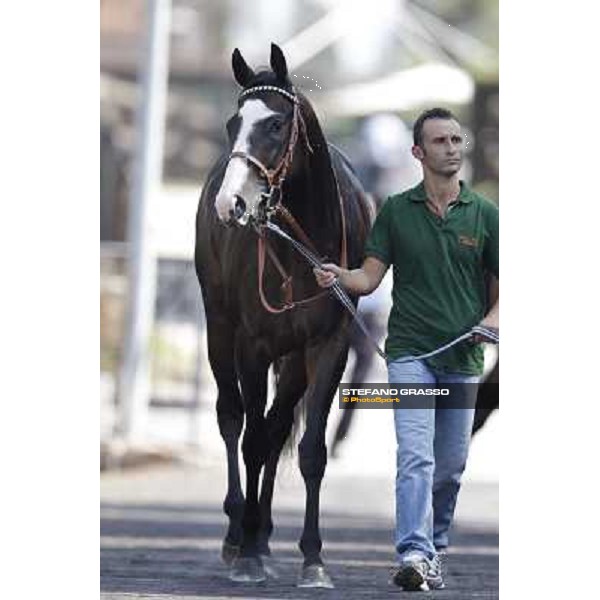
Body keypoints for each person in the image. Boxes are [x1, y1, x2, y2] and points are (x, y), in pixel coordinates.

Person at [314, 107, 499, 591]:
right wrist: (340, 276)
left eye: (457, 140)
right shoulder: (396, 210)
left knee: (451, 466)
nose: (452, 148)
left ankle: (434, 546)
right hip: (411, 355)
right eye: (440, 141)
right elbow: (370, 276)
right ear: (418, 152)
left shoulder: (486, 216)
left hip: (463, 359)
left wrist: (492, 322)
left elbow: (505, 289)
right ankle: (414, 552)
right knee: (415, 455)